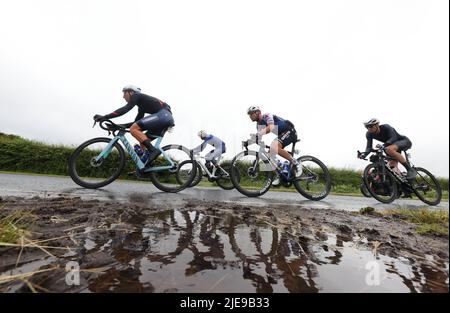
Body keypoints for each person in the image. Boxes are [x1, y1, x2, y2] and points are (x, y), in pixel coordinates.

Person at [93, 85, 174, 164]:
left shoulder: (136, 95)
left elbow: (125, 109)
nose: (123, 96)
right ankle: (144, 167)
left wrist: (105, 117)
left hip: (164, 115)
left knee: (133, 129)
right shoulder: (141, 107)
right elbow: (136, 122)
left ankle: (153, 151)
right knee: (142, 140)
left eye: (124, 93)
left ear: (131, 92)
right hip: (164, 117)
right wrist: (120, 125)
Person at [246, 106, 301, 185]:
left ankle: (296, 163)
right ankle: (281, 173)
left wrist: (258, 134)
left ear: (257, 112)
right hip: (282, 134)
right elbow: (258, 137)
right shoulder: (259, 124)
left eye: (251, 114)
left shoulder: (267, 116)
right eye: (249, 115)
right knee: (269, 155)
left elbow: (271, 127)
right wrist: (248, 142)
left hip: (289, 130)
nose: (250, 116)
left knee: (274, 146)